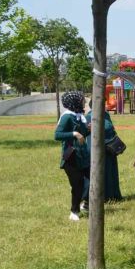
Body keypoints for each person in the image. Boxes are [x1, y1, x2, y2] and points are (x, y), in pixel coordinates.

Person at [54, 91, 90, 221]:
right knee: (77, 185)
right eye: (81, 100)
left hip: (83, 155)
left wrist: (88, 129)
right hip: (72, 157)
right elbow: (57, 135)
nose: (84, 102)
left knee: (93, 180)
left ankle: (87, 204)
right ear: (74, 102)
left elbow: (84, 133)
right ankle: (74, 211)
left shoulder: (79, 116)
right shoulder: (67, 117)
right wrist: (74, 133)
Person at [85, 101, 123, 202]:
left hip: (110, 148)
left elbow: (111, 128)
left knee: (111, 171)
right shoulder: (89, 116)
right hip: (98, 148)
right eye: (103, 103)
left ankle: (113, 195)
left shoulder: (106, 115)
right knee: (101, 172)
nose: (105, 105)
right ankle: (103, 197)